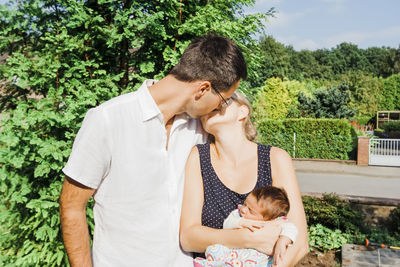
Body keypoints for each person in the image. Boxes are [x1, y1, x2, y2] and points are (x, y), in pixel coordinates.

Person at [59, 35, 247, 267]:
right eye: (222, 99)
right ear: (203, 89)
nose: (220, 107)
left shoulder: (201, 127)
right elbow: (72, 206)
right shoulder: (107, 119)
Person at [180, 92, 309, 267]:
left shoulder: (275, 158)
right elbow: (188, 237)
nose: (211, 104)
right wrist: (247, 238)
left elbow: (299, 243)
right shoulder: (198, 156)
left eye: (222, 99)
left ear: (243, 111)